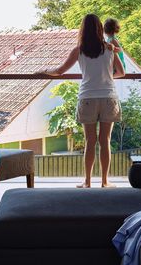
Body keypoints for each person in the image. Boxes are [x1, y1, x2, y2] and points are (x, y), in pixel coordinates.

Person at [43, 13, 125, 188]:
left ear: (82, 30)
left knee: (90, 141)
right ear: (99, 29)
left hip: (87, 97)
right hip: (108, 97)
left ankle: (87, 181)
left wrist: (42, 71)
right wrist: (107, 77)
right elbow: (121, 72)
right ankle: (104, 181)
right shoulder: (109, 48)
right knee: (105, 141)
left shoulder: (79, 50)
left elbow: (59, 71)